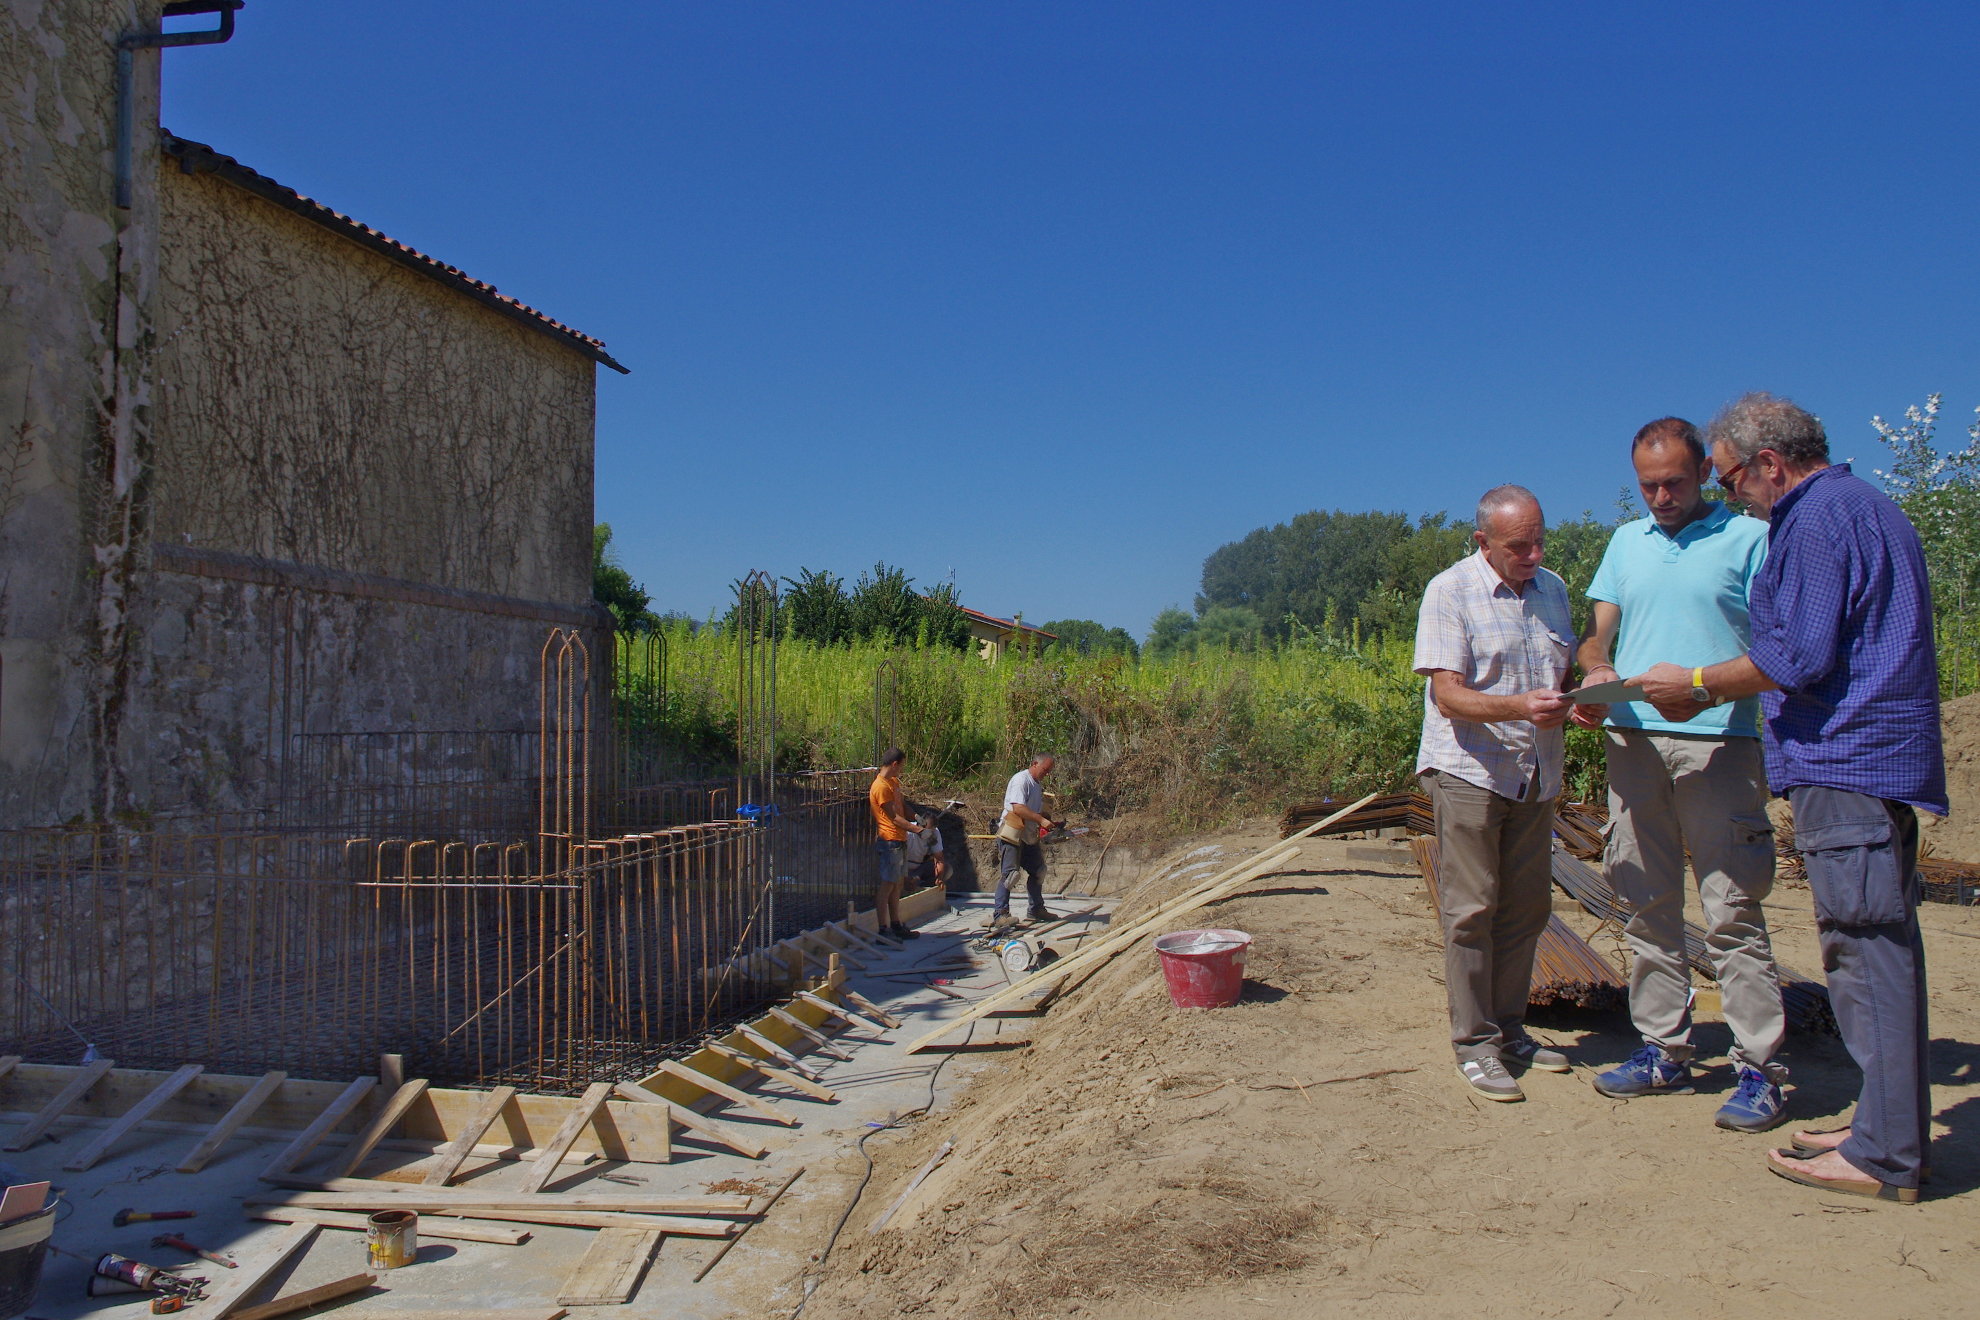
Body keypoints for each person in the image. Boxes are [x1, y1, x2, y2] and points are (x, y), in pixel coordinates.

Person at [1629, 392, 1946, 1203]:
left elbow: (1795, 654)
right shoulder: (1867, 507)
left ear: (1769, 464)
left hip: (1849, 767)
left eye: (1730, 481)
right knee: (1877, 951)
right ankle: (1883, 1123)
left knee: (1864, 955)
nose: (1733, 498)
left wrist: (1696, 684)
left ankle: (1886, 1156)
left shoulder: (1812, 519)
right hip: (1874, 769)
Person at [1574, 417, 1789, 1132]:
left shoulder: (1751, 539)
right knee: (1646, 902)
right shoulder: (1625, 543)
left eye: (1673, 482)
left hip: (1719, 745)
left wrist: (1701, 688)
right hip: (1632, 741)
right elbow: (1597, 632)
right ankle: (1663, 1046)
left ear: (1703, 473)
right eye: (1647, 486)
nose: (1660, 497)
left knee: (1731, 909)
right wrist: (1597, 668)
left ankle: (1761, 1068)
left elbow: (1778, 650)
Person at [1414, 485, 1578, 1102]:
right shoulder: (1449, 590)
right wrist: (1519, 707)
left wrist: (1576, 702)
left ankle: (1511, 1029)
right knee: (1472, 908)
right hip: (1471, 770)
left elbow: (1558, 676)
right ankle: (1475, 1044)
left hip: (1535, 770)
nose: (1532, 554)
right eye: (1518, 546)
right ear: (1482, 542)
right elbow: (1447, 695)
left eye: (1539, 541)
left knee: (1528, 908)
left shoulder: (1553, 589)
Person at [992, 754, 1057, 928]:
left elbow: (1032, 810)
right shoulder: (1021, 780)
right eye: (1045, 770)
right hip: (1012, 833)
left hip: (1027, 834)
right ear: (1035, 764)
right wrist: (1041, 820)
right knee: (1010, 875)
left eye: (1049, 771)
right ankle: (1000, 915)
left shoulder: (1036, 784)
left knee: (1038, 871)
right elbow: (1018, 808)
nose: (1047, 774)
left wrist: (1046, 820)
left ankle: (1036, 908)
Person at [868, 748, 924, 940]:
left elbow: (902, 808)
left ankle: (895, 924)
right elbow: (893, 817)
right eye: (901, 766)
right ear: (894, 764)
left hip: (900, 840)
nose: (901, 770)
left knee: (897, 884)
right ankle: (883, 930)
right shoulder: (880, 787)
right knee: (888, 885)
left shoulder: (893, 782)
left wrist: (917, 817)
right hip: (889, 841)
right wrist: (917, 829)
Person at [905, 810, 948, 892]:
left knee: (947, 870)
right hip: (905, 869)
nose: (929, 834)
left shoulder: (935, 833)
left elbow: (939, 858)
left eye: (931, 831)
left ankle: (921, 885)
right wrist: (905, 878)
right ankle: (910, 883)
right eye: (927, 831)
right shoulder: (908, 832)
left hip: (920, 867)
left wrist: (939, 878)